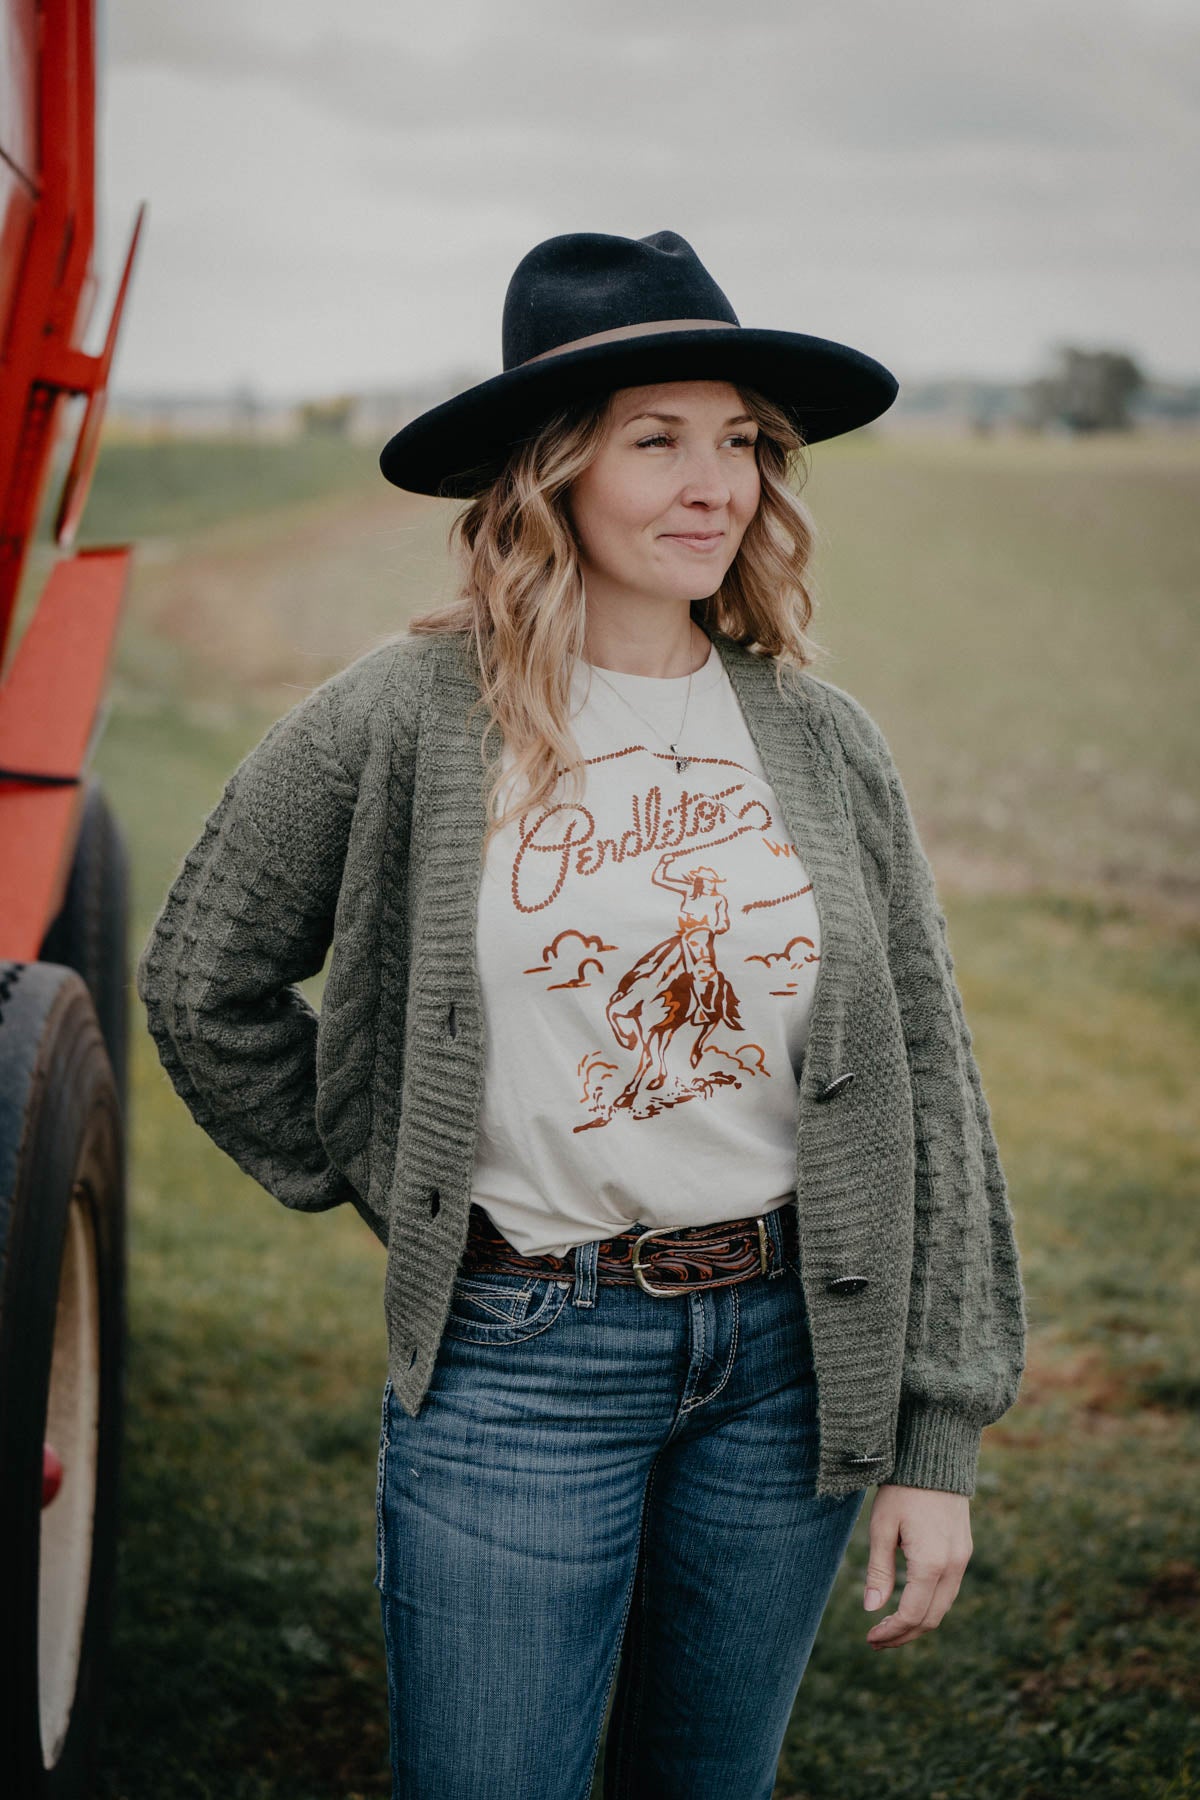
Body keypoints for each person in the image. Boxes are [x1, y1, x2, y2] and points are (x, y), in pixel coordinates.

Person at [136, 228, 1027, 1800]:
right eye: (658, 439)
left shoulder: (820, 741)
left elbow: (927, 1087)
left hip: (788, 1365)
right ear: (553, 469)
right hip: (517, 1360)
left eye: (742, 441)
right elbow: (202, 980)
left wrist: (933, 1443)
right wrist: (393, 1175)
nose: (718, 484)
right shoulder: (401, 715)